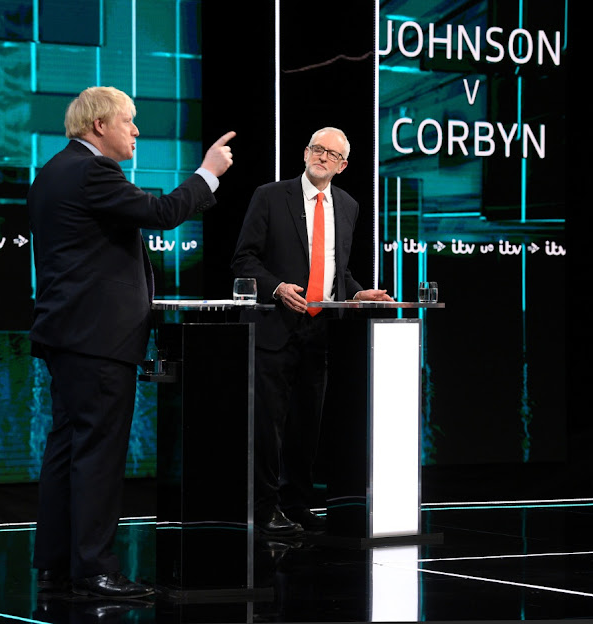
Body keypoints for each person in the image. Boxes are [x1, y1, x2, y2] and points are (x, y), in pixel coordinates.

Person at [28, 86, 234, 597]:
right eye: (130, 121)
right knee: (97, 454)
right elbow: (161, 213)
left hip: (67, 334)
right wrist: (207, 173)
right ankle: (96, 569)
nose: (137, 131)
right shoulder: (94, 171)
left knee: (67, 448)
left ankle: (57, 563)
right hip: (97, 339)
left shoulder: (52, 171)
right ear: (100, 125)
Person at [231, 127, 392, 536]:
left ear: (343, 165)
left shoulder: (349, 206)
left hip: (318, 333)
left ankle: (296, 505)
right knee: (269, 427)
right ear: (305, 153)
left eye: (332, 154)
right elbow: (243, 260)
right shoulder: (270, 196)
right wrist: (277, 288)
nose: (322, 157)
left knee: (307, 425)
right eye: (317, 149)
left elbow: (339, 271)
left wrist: (359, 292)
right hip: (273, 330)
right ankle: (263, 509)